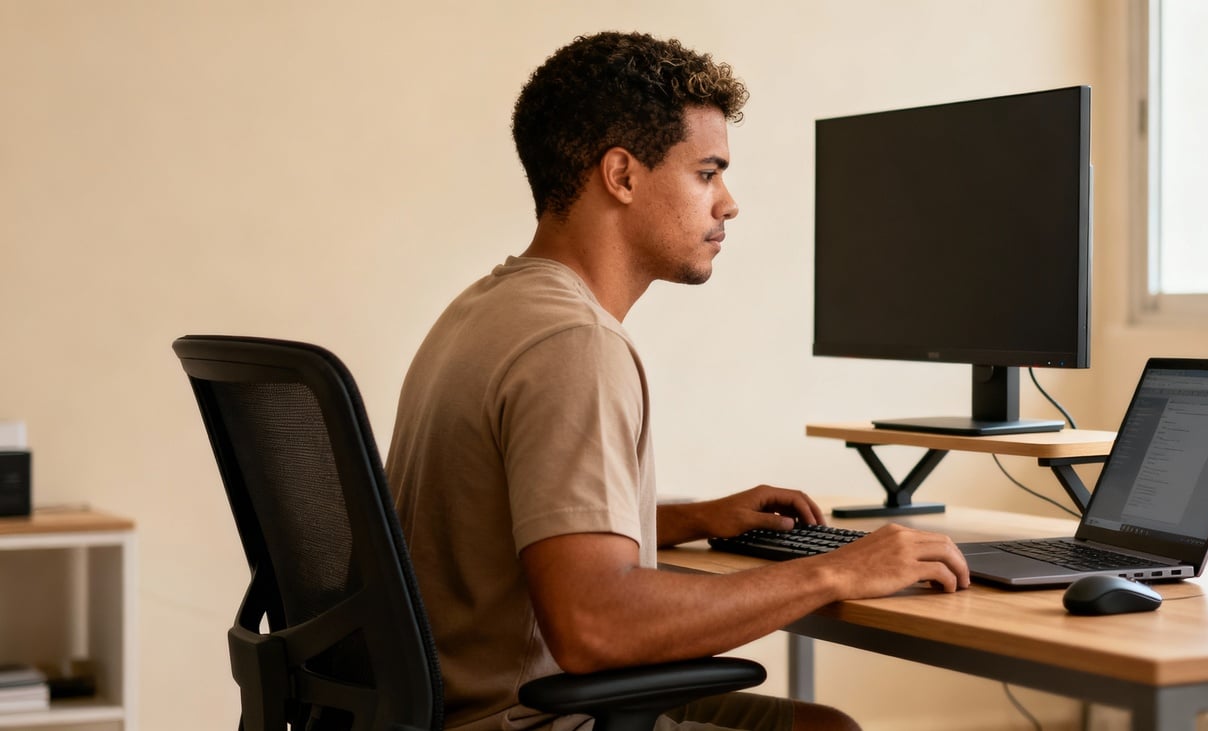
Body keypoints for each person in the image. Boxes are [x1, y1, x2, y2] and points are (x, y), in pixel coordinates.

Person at [386, 30, 970, 731]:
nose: (728, 203)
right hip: (523, 715)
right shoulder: (577, 344)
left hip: (445, 703)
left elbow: (515, 530)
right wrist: (839, 569)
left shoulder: (487, 308)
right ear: (623, 175)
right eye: (707, 173)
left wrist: (694, 518)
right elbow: (593, 625)